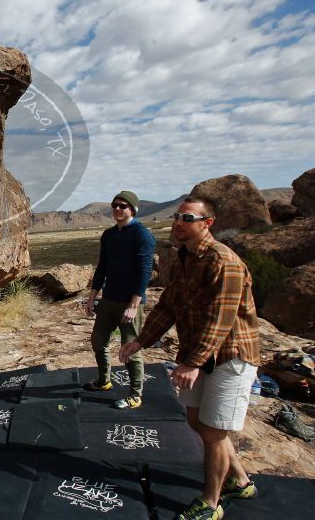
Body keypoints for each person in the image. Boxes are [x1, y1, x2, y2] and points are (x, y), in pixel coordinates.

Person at [119, 196, 260, 520]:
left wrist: (192, 363)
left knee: (213, 431)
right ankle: (239, 480)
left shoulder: (223, 262)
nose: (179, 222)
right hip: (201, 352)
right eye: (177, 216)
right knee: (198, 421)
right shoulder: (183, 258)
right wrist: (141, 340)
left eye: (188, 217)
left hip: (231, 355)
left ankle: (211, 504)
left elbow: (221, 321)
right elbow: (169, 304)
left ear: (207, 223)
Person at [83, 191, 155, 410]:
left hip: (129, 303)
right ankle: (104, 381)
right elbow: (102, 267)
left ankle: (135, 394)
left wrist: (134, 305)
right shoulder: (108, 235)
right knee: (98, 341)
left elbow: (145, 271)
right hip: (108, 300)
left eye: (123, 205)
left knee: (130, 348)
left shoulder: (142, 234)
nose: (117, 209)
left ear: (132, 209)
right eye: (114, 205)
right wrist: (92, 297)